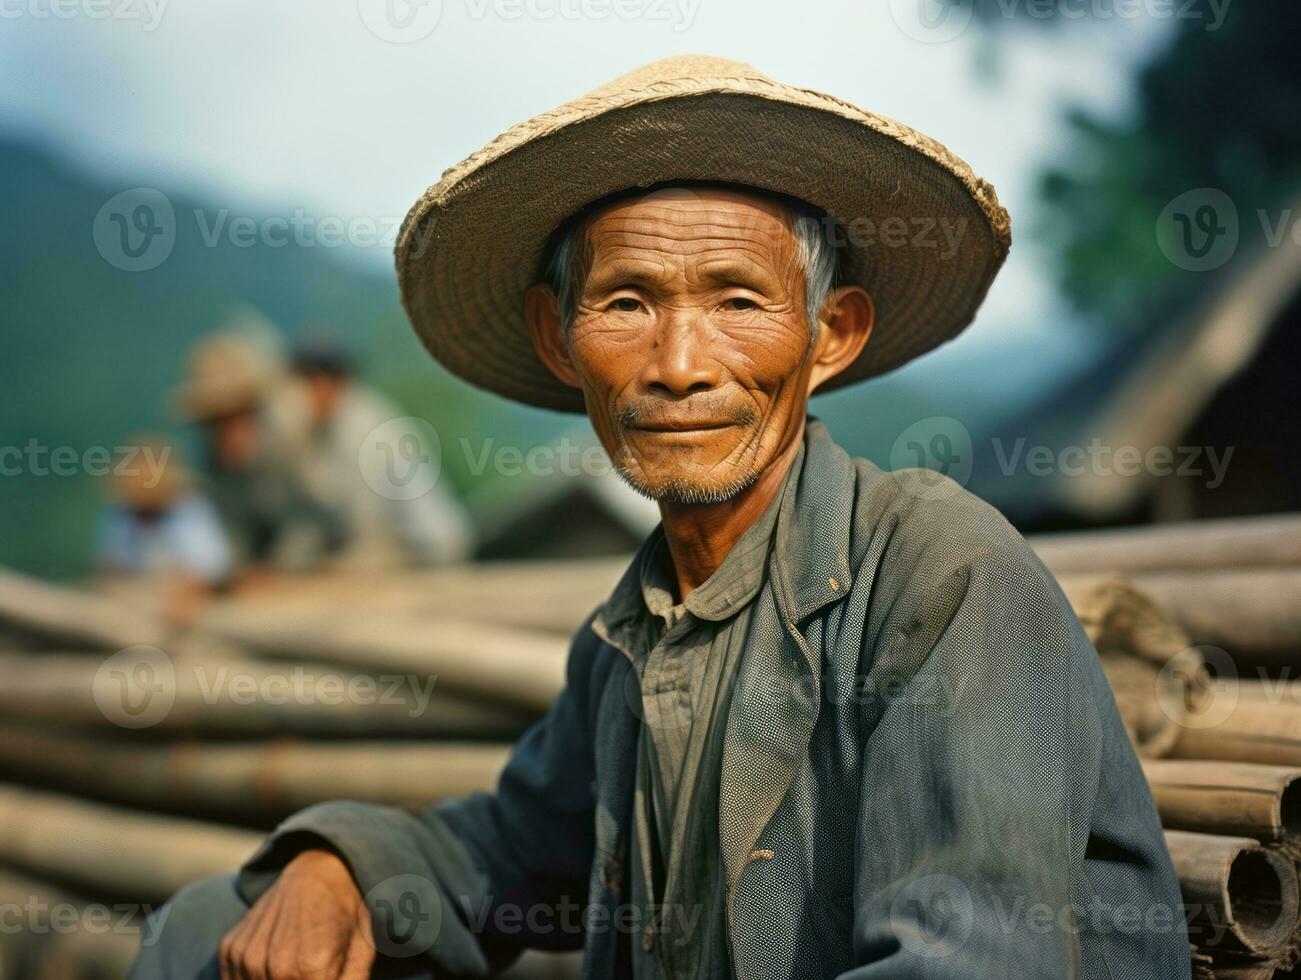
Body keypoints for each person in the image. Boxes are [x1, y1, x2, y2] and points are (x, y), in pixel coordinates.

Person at [133, 56, 1191, 979]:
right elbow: (513, 848)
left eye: (738, 299)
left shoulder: (938, 576)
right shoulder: (634, 627)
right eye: (627, 302)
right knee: (207, 931)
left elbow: (971, 962)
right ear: (559, 338)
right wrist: (338, 864)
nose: (679, 366)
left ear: (830, 335)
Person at [282, 332, 475, 569]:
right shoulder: (321, 428)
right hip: (388, 551)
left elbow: (369, 523)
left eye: (310, 382)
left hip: (429, 551)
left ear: (332, 383)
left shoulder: (367, 428)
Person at [174, 331, 346, 580]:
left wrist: (279, 567)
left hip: (320, 567)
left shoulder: (288, 446)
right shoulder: (212, 466)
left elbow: (322, 522)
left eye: (237, 415)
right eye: (217, 421)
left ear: (253, 410)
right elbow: (230, 532)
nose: (230, 430)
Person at [94, 434, 230, 628]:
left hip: (181, 607)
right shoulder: (119, 517)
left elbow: (210, 567)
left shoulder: (189, 512)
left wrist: (184, 595)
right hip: (134, 603)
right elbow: (110, 567)